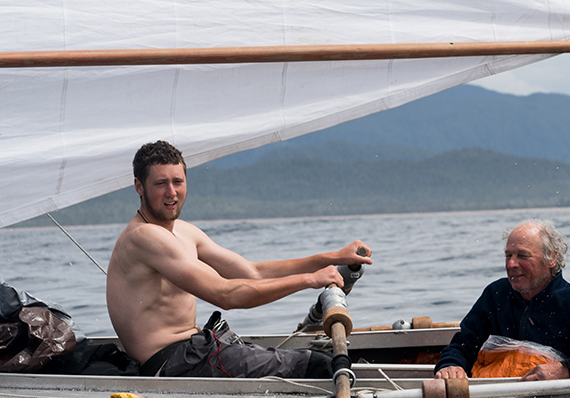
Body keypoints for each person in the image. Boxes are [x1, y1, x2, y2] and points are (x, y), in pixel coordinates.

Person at [106, 141, 372, 378]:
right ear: (139, 186)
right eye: (160, 183)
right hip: (171, 365)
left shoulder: (183, 231)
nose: (171, 192)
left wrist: (334, 257)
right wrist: (309, 280)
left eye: (178, 181)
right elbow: (226, 295)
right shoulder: (144, 237)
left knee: (326, 363)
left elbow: (252, 272)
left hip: (195, 350)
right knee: (318, 366)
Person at [435, 220, 570, 381]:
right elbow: (463, 344)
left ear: (551, 258)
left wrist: (568, 369)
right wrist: (450, 364)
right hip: (497, 397)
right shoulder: (495, 295)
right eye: (508, 255)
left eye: (522, 256)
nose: (511, 264)